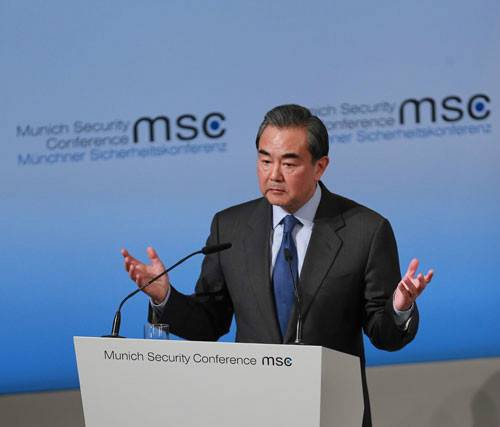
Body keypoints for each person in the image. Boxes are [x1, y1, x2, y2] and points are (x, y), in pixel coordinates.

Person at [121, 104, 433, 427]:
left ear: (320, 167)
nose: (274, 175)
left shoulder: (365, 230)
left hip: (331, 411)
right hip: (252, 411)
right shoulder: (230, 227)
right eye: (265, 160)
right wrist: (165, 297)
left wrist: (399, 309)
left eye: (289, 163)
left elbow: (385, 336)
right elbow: (209, 323)